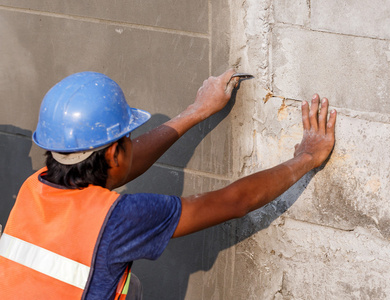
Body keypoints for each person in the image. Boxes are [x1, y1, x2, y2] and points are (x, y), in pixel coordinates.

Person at [0, 69, 336, 299]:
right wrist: (305, 157)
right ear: (115, 152)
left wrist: (196, 111)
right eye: (128, 139)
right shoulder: (119, 219)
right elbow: (235, 201)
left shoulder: (36, 186)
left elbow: (121, 170)